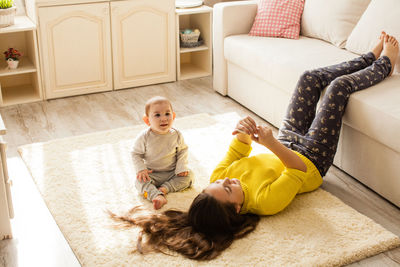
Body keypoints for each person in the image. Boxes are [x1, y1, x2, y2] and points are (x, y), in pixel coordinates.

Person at [113, 33, 399, 260]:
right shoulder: (266, 202)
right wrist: (272, 144)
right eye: (227, 188)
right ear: (237, 208)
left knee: (309, 77)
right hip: (312, 158)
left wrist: (244, 131)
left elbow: (238, 150)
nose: (224, 179)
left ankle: (366, 58)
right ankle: (385, 65)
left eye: (218, 183)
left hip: (286, 141)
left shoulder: (217, 179)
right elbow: (297, 169)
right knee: (337, 89)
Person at [132, 96, 193, 210]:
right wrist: (141, 169)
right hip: (153, 173)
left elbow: (182, 150)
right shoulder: (144, 137)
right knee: (139, 182)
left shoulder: (176, 134)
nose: (164, 118)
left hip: (172, 172)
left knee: (189, 176)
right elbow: (135, 153)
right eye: (157, 115)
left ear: (173, 116)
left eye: (167, 114)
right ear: (147, 120)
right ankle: (155, 195)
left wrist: (181, 167)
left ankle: (165, 188)